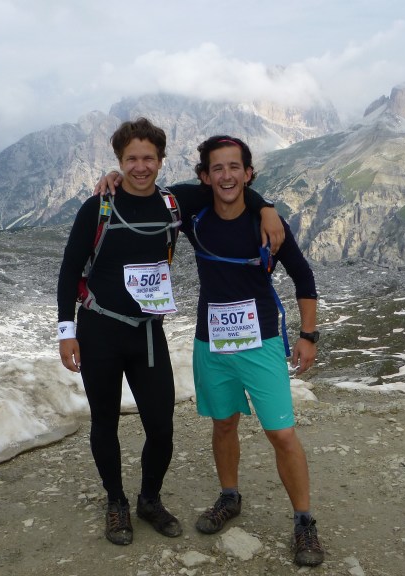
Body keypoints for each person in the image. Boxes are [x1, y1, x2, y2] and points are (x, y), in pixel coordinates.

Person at [56, 118, 282, 546]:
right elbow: (69, 269)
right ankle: (116, 502)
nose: (140, 167)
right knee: (104, 422)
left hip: (147, 334)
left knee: (161, 427)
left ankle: (149, 499)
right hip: (99, 330)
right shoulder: (98, 207)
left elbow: (229, 187)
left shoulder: (175, 202)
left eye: (148, 158)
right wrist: (66, 331)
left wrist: (266, 206)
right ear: (119, 161)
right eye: (130, 159)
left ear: (161, 161)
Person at [184, 135, 325, 567]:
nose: (226, 176)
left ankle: (304, 522)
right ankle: (229, 497)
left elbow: (303, 277)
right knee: (223, 423)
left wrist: (308, 336)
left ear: (248, 173)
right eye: (217, 168)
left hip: (260, 340)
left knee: (281, 433)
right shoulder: (194, 214)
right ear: (205, 176)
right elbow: (146, 189)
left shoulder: (268, 225)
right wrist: (114, 178)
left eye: (235, 167)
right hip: (212, 342)